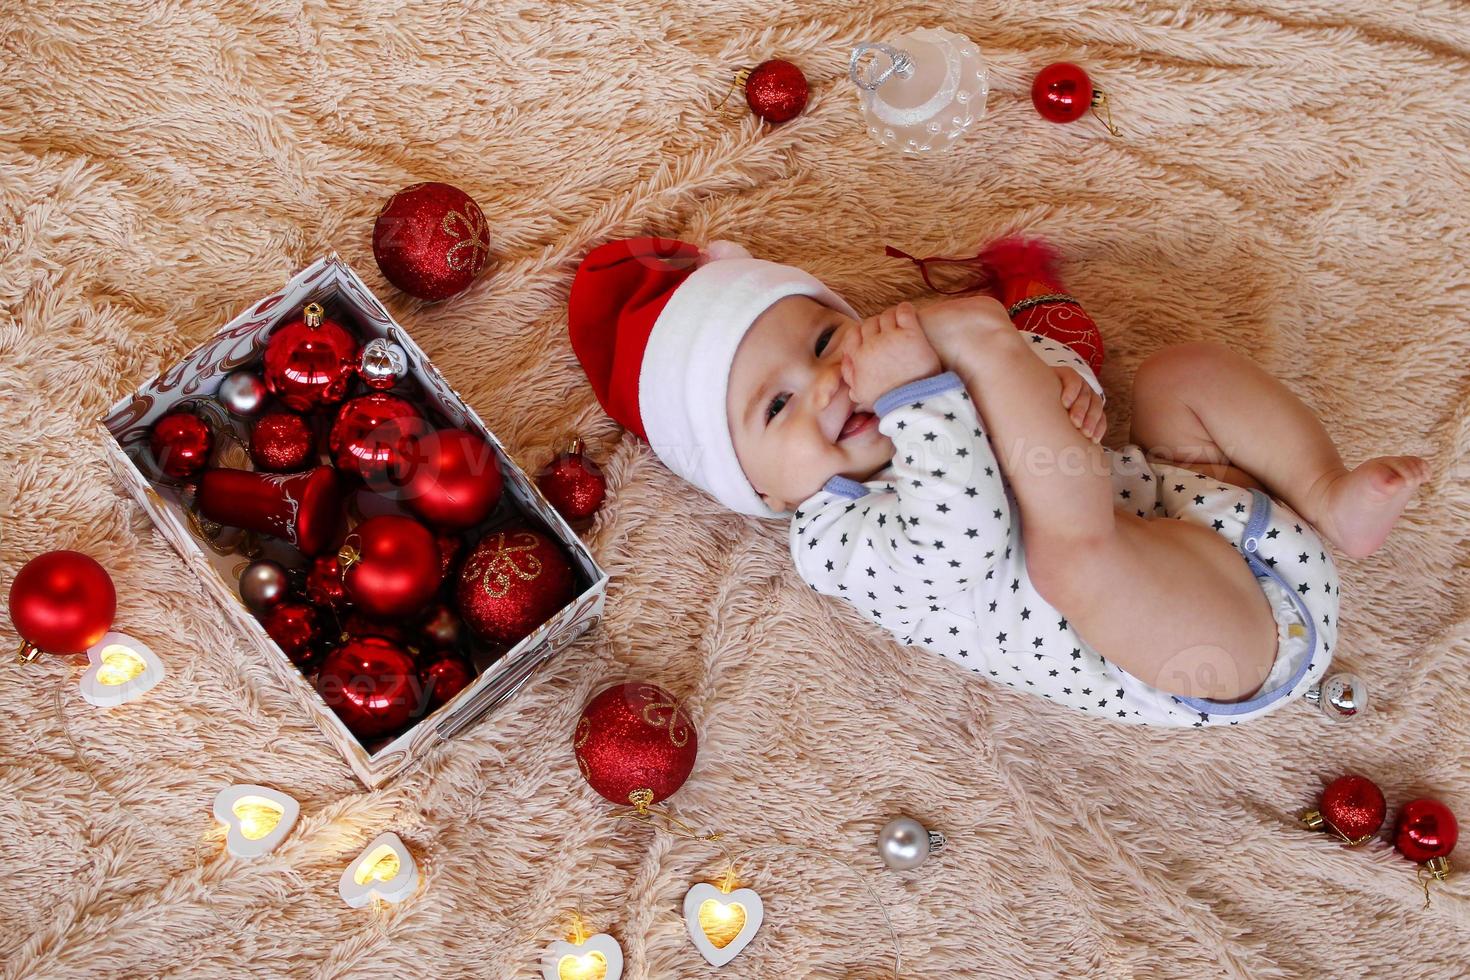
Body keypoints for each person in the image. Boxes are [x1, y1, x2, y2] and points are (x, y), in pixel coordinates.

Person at [567, 237, 1428, 727]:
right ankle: (993, 338)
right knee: (1070, 562)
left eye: (827, 342)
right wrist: (935, 381)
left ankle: (1328, 494)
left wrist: (1059, 386)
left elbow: (1052, 389)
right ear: (760, 489)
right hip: (1194, 645)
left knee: (1177, 377)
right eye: (778, 405)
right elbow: (967, 532)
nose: (828, 384)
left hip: (1193, 506)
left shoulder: (925, 374)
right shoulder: (830, 541)